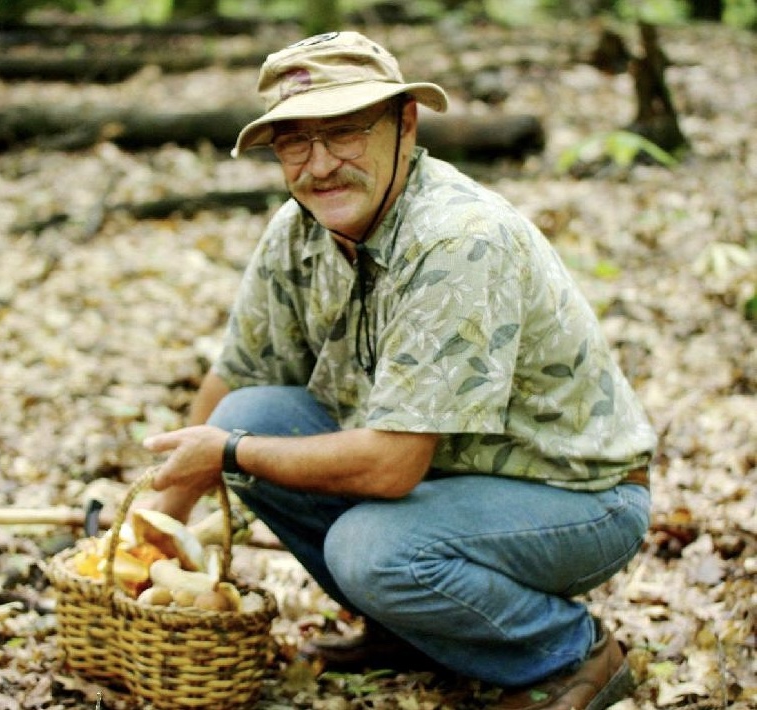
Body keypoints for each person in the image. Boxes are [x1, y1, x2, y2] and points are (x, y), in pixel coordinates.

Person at [142, 31, 657, 710]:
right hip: (452, 476)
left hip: (575, 495)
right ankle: (409, 628)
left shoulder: (457, 240)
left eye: (345, 132)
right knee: (249, 414)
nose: (319, 165)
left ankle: (571, 653)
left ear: (404, 124)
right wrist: (149, 539)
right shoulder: (299, 230)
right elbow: (234, 380)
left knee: (368, 549)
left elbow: (390, 468)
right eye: (294, 141)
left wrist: (231, 453)